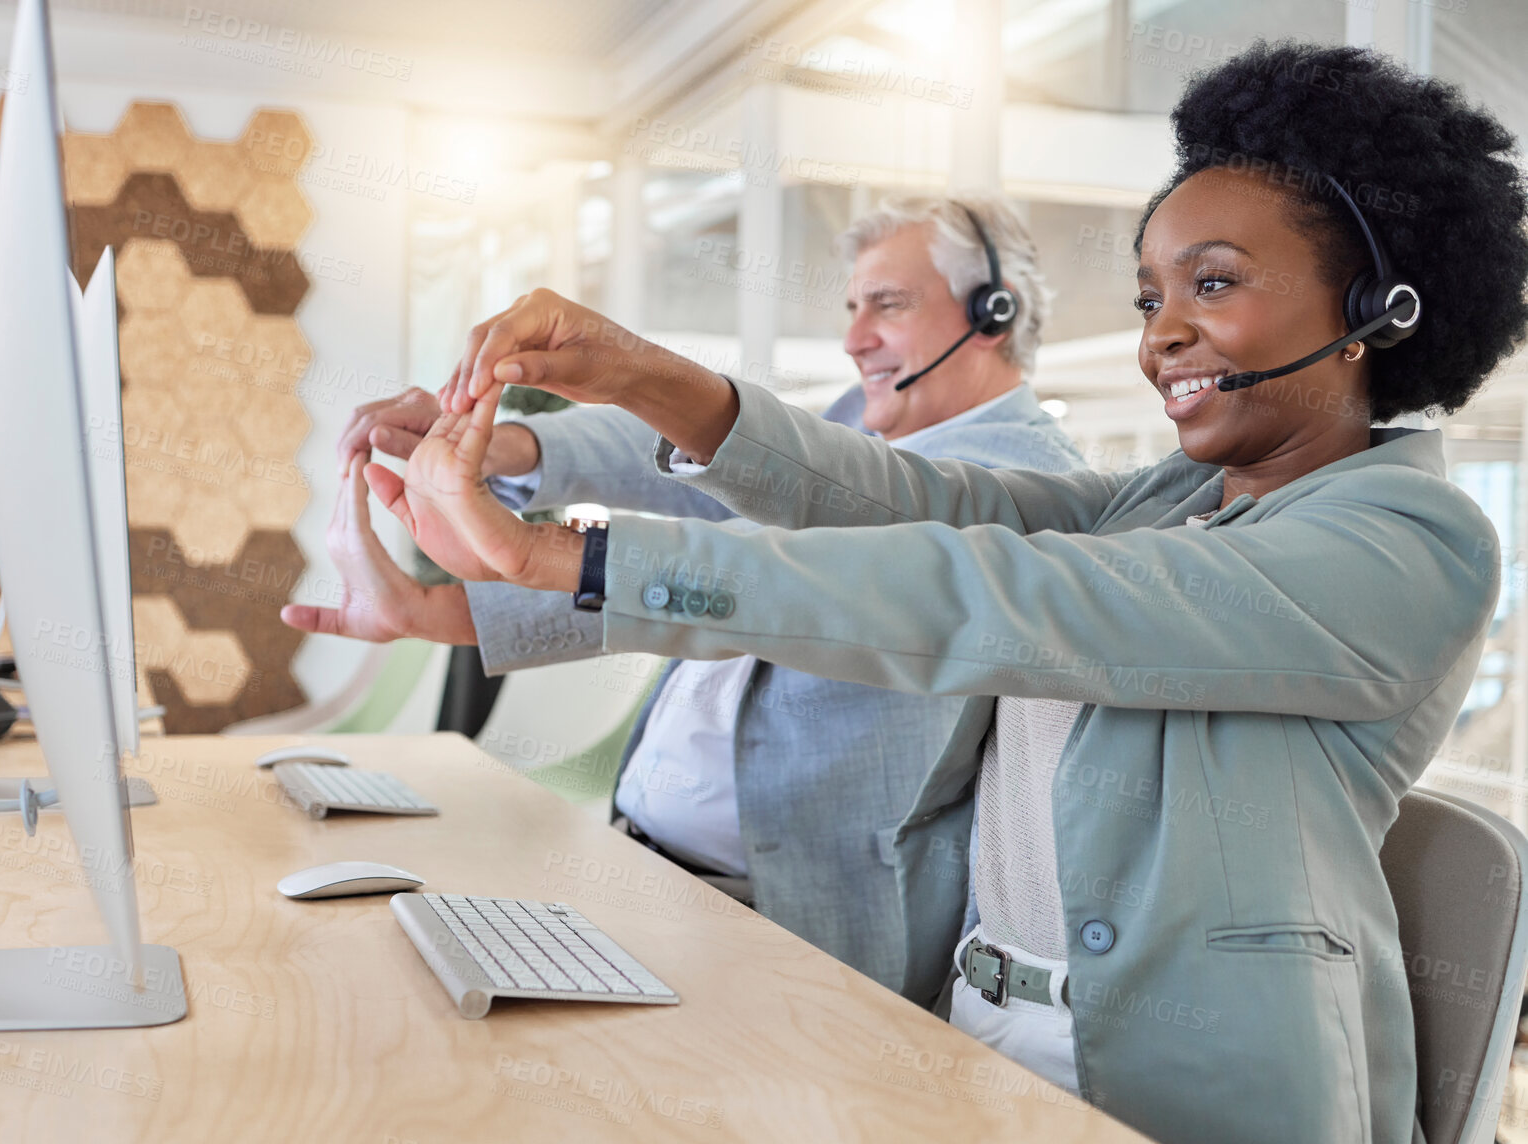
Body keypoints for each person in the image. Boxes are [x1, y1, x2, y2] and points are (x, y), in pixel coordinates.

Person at [365, 41, 1528, 1144]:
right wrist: (641, 375)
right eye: (1146, 299)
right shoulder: (1165, 496)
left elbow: (1005, 595)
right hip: (976, 1031)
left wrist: (568, 561)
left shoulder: (1412, 540)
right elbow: (911, 504)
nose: (1162, 335)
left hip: (1175, 1086)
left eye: (1211, 284)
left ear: (1379, 309)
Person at [283, 197, 1086, 992]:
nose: (853, 340)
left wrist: (448, 609)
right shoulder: (871, 423)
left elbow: (766, 570)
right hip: (659, 868)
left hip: (805, 911)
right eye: (850, 307)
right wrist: (507, 445)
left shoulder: (1022, 479)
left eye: (887, 305)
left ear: (994, 312)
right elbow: (696, 463)